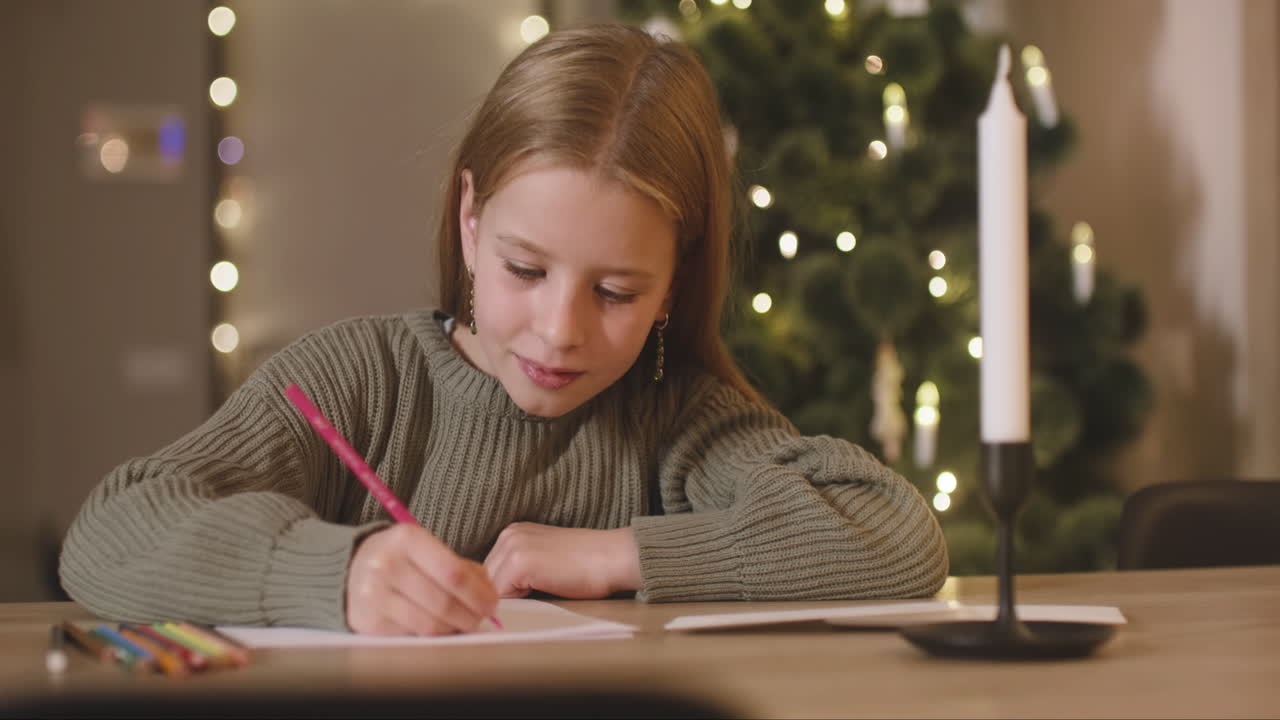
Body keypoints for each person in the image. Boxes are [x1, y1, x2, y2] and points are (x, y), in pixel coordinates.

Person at [60, 24, 947, 636]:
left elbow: (899, 537)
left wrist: (619, 553)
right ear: (471, 220)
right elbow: (110, 532)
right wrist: (335, 573)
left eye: (617, 292)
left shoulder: (677, 419)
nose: (560, 331)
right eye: (527, 270)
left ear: (676, 280)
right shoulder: (358, 381)